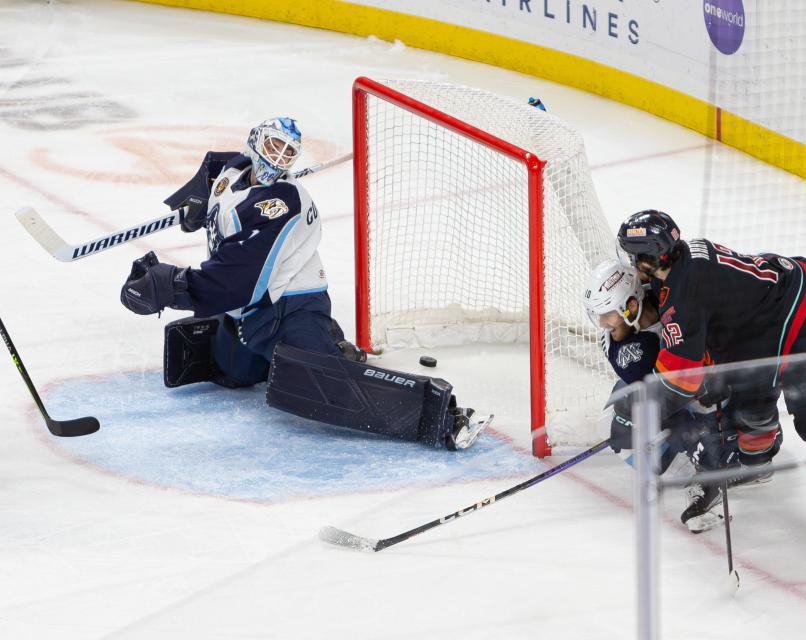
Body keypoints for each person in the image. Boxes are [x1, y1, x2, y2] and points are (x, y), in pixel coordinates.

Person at [118, 116, 490, 451]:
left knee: (323, 387)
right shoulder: (233, 170)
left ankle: (441, 417)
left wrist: (169, 286)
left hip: (290, 308)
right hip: (250, 313)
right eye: (272, 146)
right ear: (255, 142)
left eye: (287, 153)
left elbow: (237, 281)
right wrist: (196, 194)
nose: (276, 158)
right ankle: (322, 344)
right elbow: (217, 167)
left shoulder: (280, 205)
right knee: (232, 372)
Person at [616, 209, 806, 563]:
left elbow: (681, 383)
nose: (632, 264)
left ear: (651, 258)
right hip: (762, 327)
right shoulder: (680, 272)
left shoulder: (686, 292)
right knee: (745, 402)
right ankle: (752, 463)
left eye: (635, 257)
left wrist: (640, 408)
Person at [582, 258, 769, 533]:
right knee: (619, 421)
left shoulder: (669, 295)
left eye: (607, 313)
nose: (602, 322)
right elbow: (667, 400)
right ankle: (703, 469)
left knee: (727, 400)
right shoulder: (627, 350)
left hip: (719, 379)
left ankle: (747, 447)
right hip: (681, 390)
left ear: (631, 304)